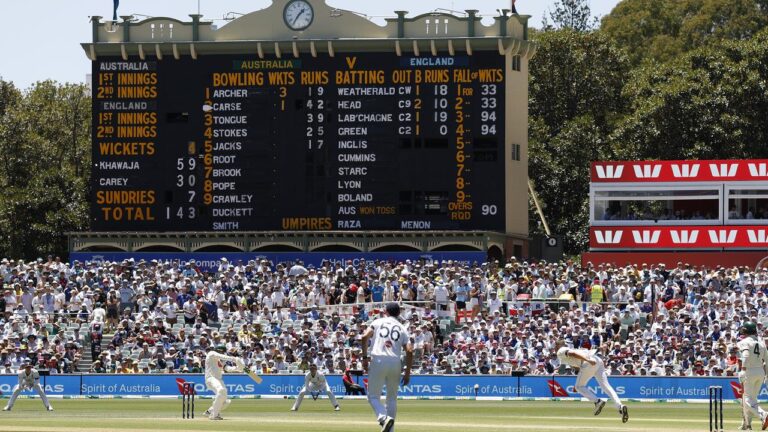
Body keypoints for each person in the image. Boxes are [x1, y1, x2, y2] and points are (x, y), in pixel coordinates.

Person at [361, 302, 413, 432]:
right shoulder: (402, 327)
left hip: (378, 359)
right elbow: (410, 351)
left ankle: (383, 418)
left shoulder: (378, 322)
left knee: (373, 396)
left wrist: (364, 358)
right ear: (399, 313)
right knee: (391, 398)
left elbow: (364, 336)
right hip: (395, 362)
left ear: (386, 311)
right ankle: (390, 429)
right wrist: (407, 373)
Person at [555, 340, 628, 423]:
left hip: (588, 362)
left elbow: (573, 354)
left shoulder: (561, 350)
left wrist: (588, 361)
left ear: (558, 345)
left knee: (579, 387)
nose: (554, 347)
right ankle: (620, 406)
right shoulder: (565, 355)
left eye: (555, 345)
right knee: (606, 387)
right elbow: (575, 364)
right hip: (597, 360)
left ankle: (598, 401)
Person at [736, 321, 768, 430]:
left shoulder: (744, 342)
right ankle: (747, 424)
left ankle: (763, 415)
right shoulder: (762, 342)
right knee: (752, 399)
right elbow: (767, 360)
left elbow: (745, 355)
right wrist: (767, 375)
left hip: (749, 371)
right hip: (760, 372)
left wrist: (743, 370)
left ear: (746, 331)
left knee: (747, 400)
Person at [202, 345, 246, 420]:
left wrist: (239, 368)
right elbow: (222, 356)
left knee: (225, 401)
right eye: (222, 352)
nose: (222, 353)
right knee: (221, 390)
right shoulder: (211, 353)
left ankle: (210, 411)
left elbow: (228, 369)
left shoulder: (220, 361)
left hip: (219, 379)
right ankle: (214, 415)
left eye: (223, 352)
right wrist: (234, 359)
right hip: (211, 378)